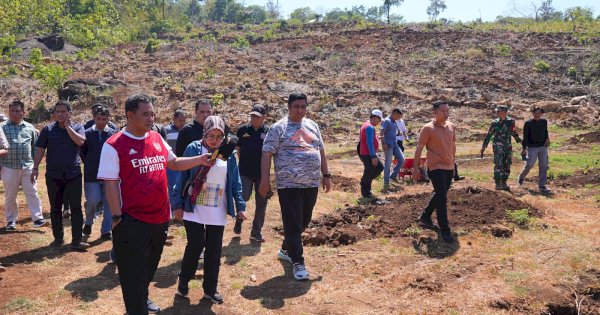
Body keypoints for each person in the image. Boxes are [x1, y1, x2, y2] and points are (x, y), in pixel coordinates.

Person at [97, 93, 212, 314]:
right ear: (130, 115)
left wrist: (199, 159)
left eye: (153, 114)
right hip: (132, 221)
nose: (151, 118)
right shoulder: (114, 145)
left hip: (160, 219)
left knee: (149, 268)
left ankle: (143, 296)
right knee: (133, 274)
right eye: (146, 114)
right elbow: (110, 184)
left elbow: (174, 163)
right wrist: (117, 216)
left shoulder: (156, 138)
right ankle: (137, 306)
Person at [172, 115, 246, 305]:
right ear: (204, 133)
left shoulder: (228, 153)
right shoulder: (193, 149)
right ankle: (184, 280)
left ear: (224, 137)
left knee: (214, 250)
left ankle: (210, 289)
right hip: (194, 205)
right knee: (195, 245)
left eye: (219, 136)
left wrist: (240, 206)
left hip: (217, 208)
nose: (214, 140)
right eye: (211, 135)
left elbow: (235, 181)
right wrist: (177, 205)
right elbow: (181, 177)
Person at [259, 92, 331, 281]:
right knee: (292, 224)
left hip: (311, 183)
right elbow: (266, 154)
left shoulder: (312, 125)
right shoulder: (278, 128)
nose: (300, 110)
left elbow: (321, 150)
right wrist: (265, 180)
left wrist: (327, 174)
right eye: (296, 106)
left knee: (304, 220)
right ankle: (298, 261)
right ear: (289, 107)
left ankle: (285, 248)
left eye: (303, 106)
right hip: (288, 185)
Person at [33, 100, 88, 250]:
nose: (60, 114)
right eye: (58, 111)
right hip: (53, 174)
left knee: (76, 207)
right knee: (55, 207)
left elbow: (80, 141)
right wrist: (35, 167)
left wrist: (67, 127)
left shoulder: (78, 127)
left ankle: (76, 241)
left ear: (69, 113)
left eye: (64, 111)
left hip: (73, 173)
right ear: (54, 113)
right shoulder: (47, 130)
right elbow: (39, 149)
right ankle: (58, 238)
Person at [412, 101, 457, 243]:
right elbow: (419, 148)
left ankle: (425, 216)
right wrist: (415, 168)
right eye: (443, 111)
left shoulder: (451, 126)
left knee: (440, 193)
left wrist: (454, 163)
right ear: (435, 112)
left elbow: (453, 145)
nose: (446, 113)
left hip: (449, 165)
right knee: (442, 197)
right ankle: (445, 230)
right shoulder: (427, 128)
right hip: (435, 166)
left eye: (447, 110)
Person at [1, 101, 47, 231]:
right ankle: (11, 221)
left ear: (23, 113)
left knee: (32, 192)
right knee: (10, 195)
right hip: (8, 166)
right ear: (9, 112)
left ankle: (38, 219)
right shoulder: (2, 127)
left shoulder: (30, 128)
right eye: (12, 111)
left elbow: (35, 147)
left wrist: (35, 165)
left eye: (17, 111)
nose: (14, 114)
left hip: (27, 166)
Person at [234, 104, 270, 242]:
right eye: (252, 116)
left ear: (264, 117)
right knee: (243, 196)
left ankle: (256, 231)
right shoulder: (243, 130)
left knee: (262, 202)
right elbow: (238, 148)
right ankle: (239, 219)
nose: (254, 118)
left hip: (262, 173)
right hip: (245, 171)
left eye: (257, 116)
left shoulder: (268, 131)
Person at [81, 107, 117, 241]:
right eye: (98, 119)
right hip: (92, 173)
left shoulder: (114, 134)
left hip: (110, 174)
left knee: (109, 202)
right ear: (94, 118)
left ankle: (106, 230)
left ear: (108, 119)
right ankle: (88, 222)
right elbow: (83, 152)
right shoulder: (86, 134)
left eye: (104, 119)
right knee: (92, 200)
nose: (101, 122)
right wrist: (90, 163)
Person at [480, 105, 522, 191]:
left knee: (507, 164)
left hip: (508, 147)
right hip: (498, 147)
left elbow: (513, 132)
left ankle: (504, 182)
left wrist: (521, 141)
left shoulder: (510, 122)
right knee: (499, 165)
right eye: (497, 111)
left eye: (498, 111)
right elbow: (489, 135)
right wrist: (484, 146)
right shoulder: (494, 123)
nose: (497, 113)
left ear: (504, 112)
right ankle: (498, 184)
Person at [518, 106, 551, 194]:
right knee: (530, 164)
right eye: (536, 113)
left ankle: (542, 185)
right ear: (532, 113)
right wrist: (524, 149)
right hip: (532, 147)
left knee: (544, 165)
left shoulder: (544, 121)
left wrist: (547, 138)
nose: (537, 115)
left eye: (539, 113)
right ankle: (521, 177)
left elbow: (545, 131)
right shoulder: (528, 123)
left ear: (541, 114)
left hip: (543, 147)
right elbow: (525, 137)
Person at [358, 109, 384, 198]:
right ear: (376, 117)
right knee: (370, 172)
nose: (379, 122)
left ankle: (365, 181)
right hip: (368, 153)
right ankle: (366, 193)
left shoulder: (366, 124)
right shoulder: (369, 127)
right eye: (379, 120)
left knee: (378, 168)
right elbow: (369, 142)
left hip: (367, 152)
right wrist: (373, 156)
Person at [380, 108, 405, 192]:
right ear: (394, 113)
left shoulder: (394, 121)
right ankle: (386, 185)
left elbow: (392, 132)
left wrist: (399, 134)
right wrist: (383, 144)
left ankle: (392, 176)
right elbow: (381, 133)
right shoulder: (387, 121)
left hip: (395, 144)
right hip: (388, 145)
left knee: (401, 159)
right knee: (387, 164)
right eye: (398, 116)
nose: (399, 118)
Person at [165, 109, 187, 197]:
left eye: (184, 121)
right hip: (171, 164)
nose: (182, 123)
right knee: (172, 187)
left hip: (184, 163)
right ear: (174, 119)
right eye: (180, 120)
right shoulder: (166, 130)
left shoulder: (186, 130)